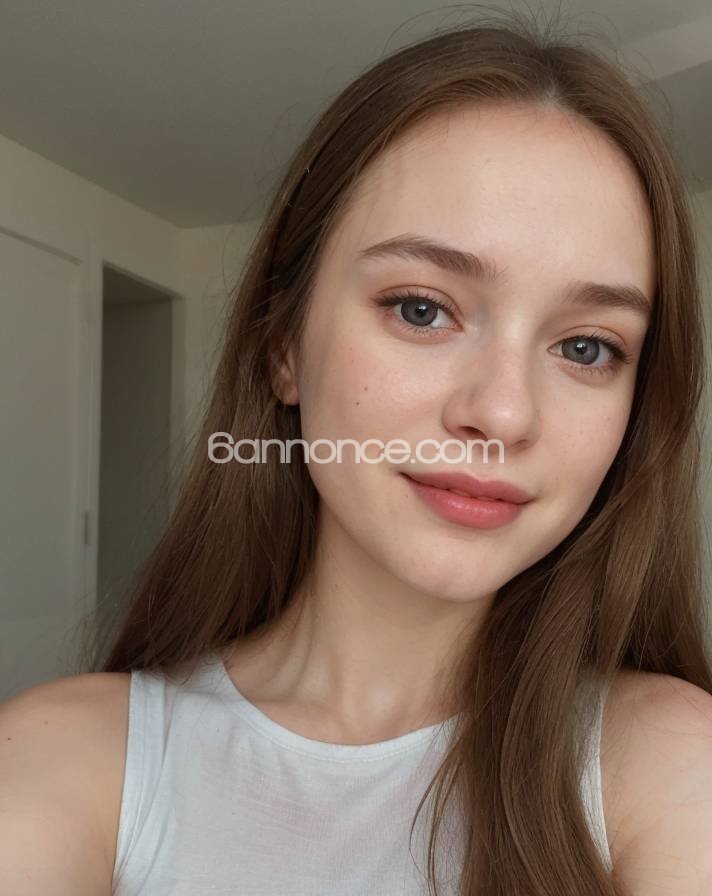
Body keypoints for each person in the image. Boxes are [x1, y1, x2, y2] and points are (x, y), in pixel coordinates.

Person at [2, 10, 712, 896]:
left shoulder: (669, 764)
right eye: (422, 308)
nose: (502, 412)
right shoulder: (72, 762)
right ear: (284, 346)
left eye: (586, 347)